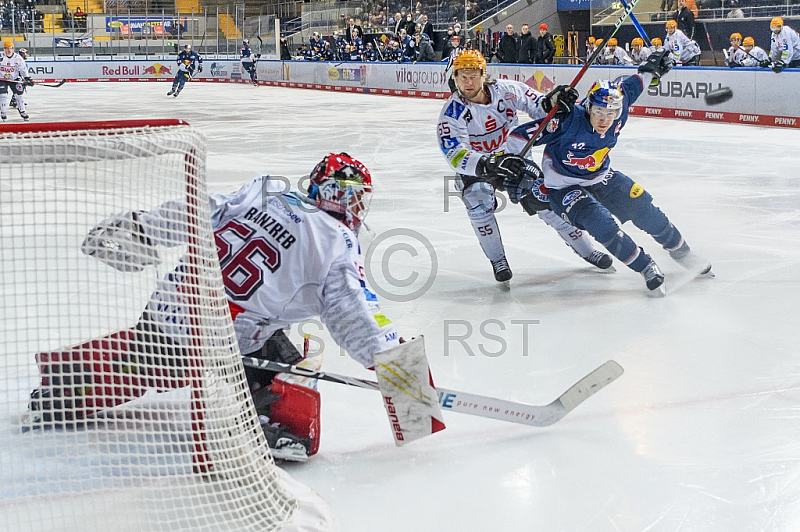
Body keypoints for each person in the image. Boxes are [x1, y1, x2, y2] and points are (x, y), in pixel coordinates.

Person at [34, 153, 423, 462]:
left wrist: (143, 228)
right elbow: (353, 312)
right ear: (328, 192)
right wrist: (396, 361)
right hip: (220, 342)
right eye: (349, 195)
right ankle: (263, 424)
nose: (354, 206)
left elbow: (200, 209)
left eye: (358, 198)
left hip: (168, 306)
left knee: (150, 358)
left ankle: (67, 380)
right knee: (291, 376)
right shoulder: (335, 242)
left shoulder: (268, 191)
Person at [506, 49, 712, 294]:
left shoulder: (621, 103)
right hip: (563, 186)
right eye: (599, 113)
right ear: (589, 106)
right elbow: (517, 138)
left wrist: (650, 69)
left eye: (610, 114)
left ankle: (683, 253)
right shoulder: (567, 120)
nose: (605, 119)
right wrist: (528, 171)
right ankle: (646, 267)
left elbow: (638, 81)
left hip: (601, 176)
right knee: (602, 225)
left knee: (645, 209)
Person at [436, 50, 615, 285]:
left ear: (483, 74)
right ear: (455, 78)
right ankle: (498, 260)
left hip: (516, 160)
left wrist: (554, 101)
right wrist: (486, 163)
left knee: (548, 203)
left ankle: (586, 250)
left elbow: (539, 106)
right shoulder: (452, 112)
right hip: (482, 167)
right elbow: (454, 152)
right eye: (462, 77)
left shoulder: (506, 90)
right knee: (478, 203)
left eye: (473, 76)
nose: (468, 83)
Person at [0, 40, 32, 121]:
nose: (9, 50)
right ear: (4, 49)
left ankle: (23, 111)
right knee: (3, 95)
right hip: (2, 79)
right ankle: (3, 112)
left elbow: (23, 70)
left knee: (19, 96)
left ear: (13, 49)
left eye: (10, 48)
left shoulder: (18, 58)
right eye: (7, 48)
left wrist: (27, 78)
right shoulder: (0, 56)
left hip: (14, 79)